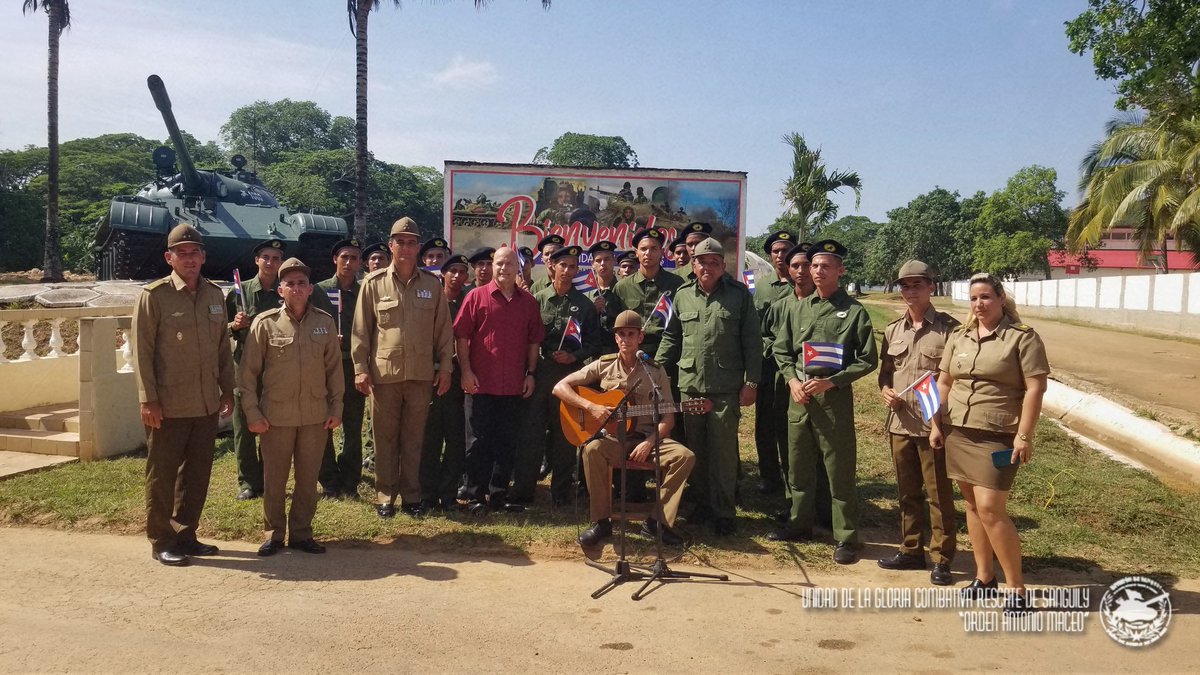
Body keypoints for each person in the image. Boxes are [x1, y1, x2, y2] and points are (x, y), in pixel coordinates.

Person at [932, 273, 1048, 610]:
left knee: (991, 509)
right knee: (971, 506)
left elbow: (1035, 389)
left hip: (997, 433)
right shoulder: (959, 336)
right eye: (973, 299)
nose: (978, 304)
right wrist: (936, 423)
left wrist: (1024, 435)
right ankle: (984, 577)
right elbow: (944, 382)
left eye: (985, 297)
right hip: (959, 430)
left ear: (1000, 298)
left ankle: (1017, 589)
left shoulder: (1021, 338)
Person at [769, 240, 877, 565]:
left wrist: (832, 381)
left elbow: (868, 358)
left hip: (833, 402)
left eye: (825, 266)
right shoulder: (796, 307)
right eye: (814, 265)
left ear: (840, 270)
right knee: (798, 467)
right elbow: (781, 349)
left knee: (838, 469)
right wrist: (791, 381)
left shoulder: (854, 311)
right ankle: (800, 524)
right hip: (799, 400)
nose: (817, 271)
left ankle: (846, 537)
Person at [133, 223, 234, 566]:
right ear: (169, 257)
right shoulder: (154, 296)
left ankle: (186, 534)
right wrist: (148, 399)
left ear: (204, 257)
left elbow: (223, 347)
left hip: (205, 401)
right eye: (182, 253)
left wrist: (227, 389)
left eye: (195, 253)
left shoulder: (214, 294)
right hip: (168, 404)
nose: (189, 259)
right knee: (162, 474)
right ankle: (161, 539)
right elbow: (142, 352)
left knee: (197, 474)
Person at [555, 310, 696, 548]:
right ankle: (601, 522)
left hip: (649, 438)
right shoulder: (604, 365)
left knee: (685, 457)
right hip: (614, 439)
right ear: (615, 338)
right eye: (620, 334)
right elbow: (560, 387)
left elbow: (668, 417)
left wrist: (650, 441)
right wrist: (590, 407)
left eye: (631, 334)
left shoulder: (655, 371)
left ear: (640, 337)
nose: (625, 339)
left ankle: (656, 523)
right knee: (592, 450)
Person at [239, 258, 343, 556]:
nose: (296, 288)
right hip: (276, 417)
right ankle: (274, 534)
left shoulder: (324, 322)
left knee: (308, 480)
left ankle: (301, 534)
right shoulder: (265, 323)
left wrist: (336, 409)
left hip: (314, 416)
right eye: (290, 284)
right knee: (275, 480)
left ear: (310, 289)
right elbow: (247, 375)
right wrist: (252, 412)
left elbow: (335, 371)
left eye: (301, 283)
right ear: (281, 290)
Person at [656, 238, 761, 536]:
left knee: (724, 453)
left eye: (714, 262)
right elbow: (672, 337)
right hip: (690, 386)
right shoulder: (683, 295)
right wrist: (656, 370)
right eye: (702, 261)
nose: (708, 267)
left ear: (723, 266)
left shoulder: (740, 296)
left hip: (725, 388)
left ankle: (724, 511)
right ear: (693, 264)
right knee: (695, 450)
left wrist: (751, 382)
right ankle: (702, 504)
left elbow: (753, 343)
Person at [351, 217, 454, 519]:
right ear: (391, 245)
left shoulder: (432, 285)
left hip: (421, 376)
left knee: (413, 439)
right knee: (384, 438)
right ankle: (386, 495)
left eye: (412, 242)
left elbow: (443, 332)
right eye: (401, 242)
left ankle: (411, 496)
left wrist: (445, 367)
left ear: (418, 247)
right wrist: (360, 368)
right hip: (384, 376)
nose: (406, 248)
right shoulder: (373, 283)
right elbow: (361, 330)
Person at [877, 260, 960, 586]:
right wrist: (885, 391)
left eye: (917, 285)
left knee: (938, 495)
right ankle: (911, 549)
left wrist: (938, 422)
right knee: (907, 493)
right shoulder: (893, 330)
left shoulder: (948, 329)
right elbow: (885, 373)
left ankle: (942, 558)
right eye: (905, 286)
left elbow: (949, 379)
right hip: (900, 423)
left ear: (931, 287)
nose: (911, 291)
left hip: (932, 425)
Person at [453, 246, 545, 514]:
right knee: (478, 443)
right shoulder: (476, 297)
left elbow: (533, 342)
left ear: (518, 268)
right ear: (493, 267)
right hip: (480, 384)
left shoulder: (528, 303)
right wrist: (466, 371)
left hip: (513, 386)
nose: (503, 269)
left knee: (506, 442)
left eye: (509, 264)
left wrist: (530, 374)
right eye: (499, 264)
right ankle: (475, 496)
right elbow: (461, 337)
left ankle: (499, 495)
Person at [513, 245, 602, 505]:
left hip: (568, 377)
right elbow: (526, 337)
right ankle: (523, 491)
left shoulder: (584, 306)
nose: (567, 270)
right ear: (552, 266)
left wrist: (574, 356)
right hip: (540, 374)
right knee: (531, 434)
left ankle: (561, 493)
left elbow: (594, 345)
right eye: (562, 265)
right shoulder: (537, 299)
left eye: (572, 266)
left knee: (565, 438)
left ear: (577, 270)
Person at [225, 239, 286, 500]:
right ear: (256, 261)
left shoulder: (285, 292)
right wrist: (235, 325)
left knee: (274, 428)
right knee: (244, 427)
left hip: (277, 368)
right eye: (266, 257)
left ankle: (271, 477)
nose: (271, 262)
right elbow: (221, 327)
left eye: (276, 258)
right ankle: (249, 482)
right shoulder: (241, 292)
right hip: (246, 368)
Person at [419, 253, 471, 511]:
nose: (457, 276)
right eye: (453, 271)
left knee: (455, 438)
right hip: (433, 376)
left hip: (460, 378)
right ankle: (427, 494)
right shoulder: (431, 301)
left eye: (462, 272)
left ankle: (448, 494)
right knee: (430, 437)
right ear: (443, 274)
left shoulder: (469, 301)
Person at [314, 238, 365, 500]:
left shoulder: (365, 291)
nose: (349, 262)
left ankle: (350, 478)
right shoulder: (319, 291)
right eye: (344, 257)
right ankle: (329, 480)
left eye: (354, 258)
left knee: (353, 425)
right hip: (324, 366)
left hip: (353, 365)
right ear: (335, 259)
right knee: (324, 422)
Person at [753, 231, 799, 496]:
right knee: (765, 421)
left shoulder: (804, 284)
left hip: (797, 364)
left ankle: (793, 477)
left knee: (790, 424)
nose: (781, 255)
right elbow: (755, 329)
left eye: (786, 250)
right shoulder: (761, 287)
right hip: (769, 366)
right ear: (770, 255)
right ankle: (769, 475)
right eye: (776, 251)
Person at [360, 241, 390, 474]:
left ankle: (377, 455)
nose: (377, 262)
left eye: (382, 258)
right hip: (365, 359)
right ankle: (371, 453)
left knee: (379, 416)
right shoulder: (367, 286)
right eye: (373, 259)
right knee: (371, 416)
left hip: (385, 363)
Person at [587, 240, 622, 355]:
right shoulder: (585, 292)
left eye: (607, 259)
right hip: (589, 356)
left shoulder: (623, 290)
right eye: (598, 260)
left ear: (614, 260)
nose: (603, 263)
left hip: (616, 353)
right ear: (592, 263)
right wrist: (592, 311)